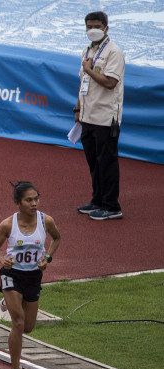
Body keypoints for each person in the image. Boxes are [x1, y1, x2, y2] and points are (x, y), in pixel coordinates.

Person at [0, 182, 61, 369]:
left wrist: (47, 258)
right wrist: (2, 259)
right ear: (18, 203)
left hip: (33, 277)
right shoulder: (7, 224)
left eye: (36, 199)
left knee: (29, 328)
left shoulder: (46, 220)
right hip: (12, 275)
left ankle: (9, 299)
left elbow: (57, 238)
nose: (34, 203)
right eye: (28, 200)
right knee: (19, 323)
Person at [74, 11, 125, 221]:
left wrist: (88, 69)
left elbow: (110, 82)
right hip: (88, 116)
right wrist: (78, 109)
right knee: (93, 162)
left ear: (106, 28)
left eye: (95, 27)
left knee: (107, 162)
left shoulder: (114, 52)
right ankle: (97, 199)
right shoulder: (87, 50)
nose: (91, 31)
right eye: (88, 27)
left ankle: (111, 205)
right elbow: (83, 83)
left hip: (105, 118)